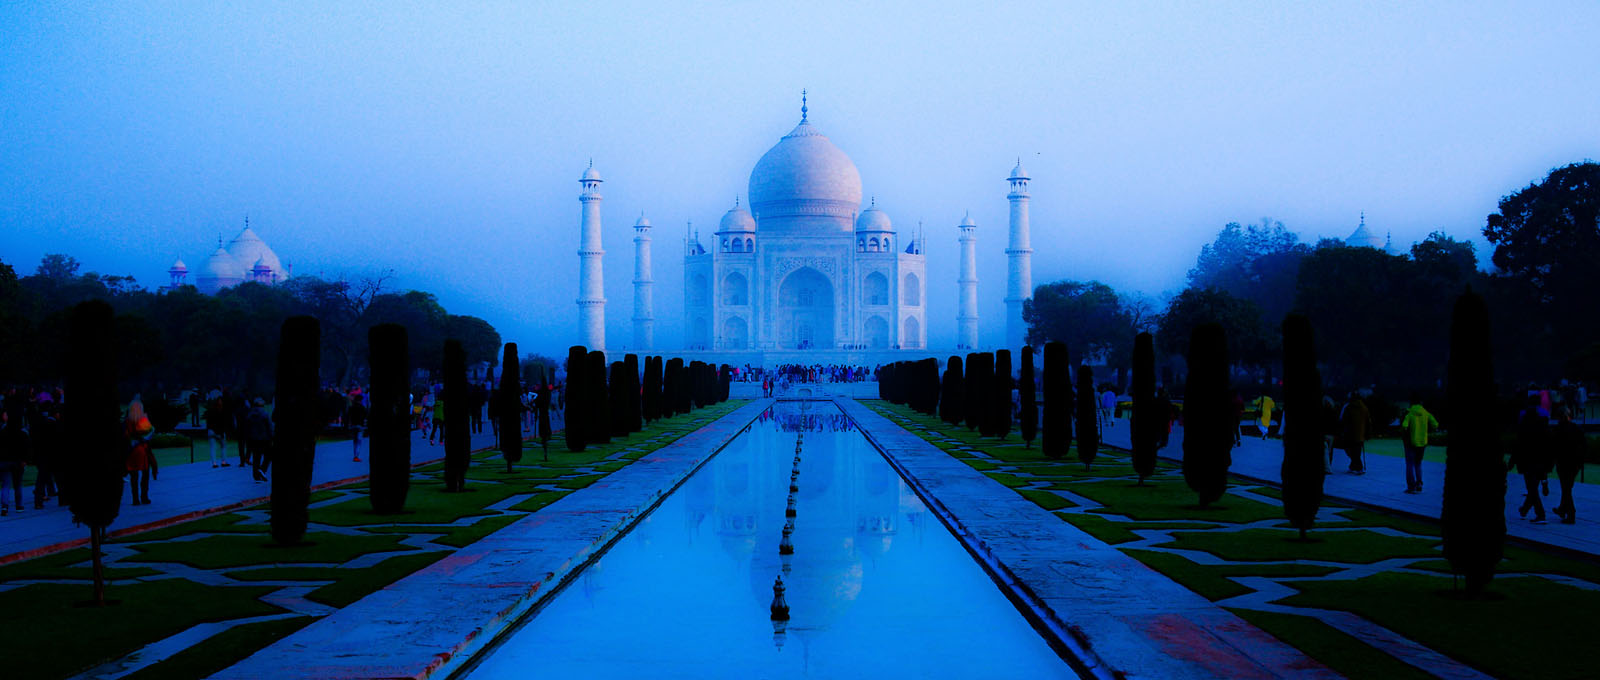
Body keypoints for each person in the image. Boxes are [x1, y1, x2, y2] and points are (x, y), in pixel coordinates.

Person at [1508, 395, 1552, 524]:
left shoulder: (1524, 424)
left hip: (1527, 460)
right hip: (1540, 460)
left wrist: (1512, 461)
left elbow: (1518, 444)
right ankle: (1525, 509)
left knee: (1531, 488)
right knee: (1533, 487)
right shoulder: (1544, 424)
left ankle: (1540, 514)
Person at [1399, 393, 1439, 494]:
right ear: (1420, 402)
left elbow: (1404, 426)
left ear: (1411, 402)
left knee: (1409, 464)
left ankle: (1411, 487)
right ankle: (1419, 484)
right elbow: (1435, 424)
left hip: (1410, 443)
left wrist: (1404, 433)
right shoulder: (1426, 413)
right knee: (1418, 463)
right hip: (1422, 442)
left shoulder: (1409, 413)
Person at [1552, 406, 1584, 524]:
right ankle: (1562, 508)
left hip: (1564, 463)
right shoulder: (1576, 428)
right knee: (1567, 487)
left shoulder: (1558, 429)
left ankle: (1571, 514)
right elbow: (1583, 445)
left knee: (1566, 489)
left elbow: (1554, 447)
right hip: (1575, 463)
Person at [125, 396, 156, 505]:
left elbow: (126, 436)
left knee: (134, 476)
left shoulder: (128, 420)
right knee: (145, 474)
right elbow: (150, 432)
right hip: (142, 450)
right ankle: (144, 497)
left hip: (132, 451)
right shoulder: (142, 419)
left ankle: (135, 499)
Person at [30, 403, 62, 509]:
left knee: (41, 480)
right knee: (59, 478)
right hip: (53, 456)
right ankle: (63, 499)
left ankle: (38, 501)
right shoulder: (55, 425)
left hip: (42, 456)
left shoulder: (41, 425)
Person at [0, 412, 29, 515]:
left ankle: (4, 507)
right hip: (18, 462)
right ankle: (19, 506)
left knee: (5, 485)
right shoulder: (22, 433)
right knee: (18, 485)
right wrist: (24, 460)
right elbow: (26, 448)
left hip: (4, 461)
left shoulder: (2, 432)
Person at [1339, 393, 1371, 474]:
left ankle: (1359, 467)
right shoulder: (1364, 407)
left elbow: (1343, 420)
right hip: (1360, 434)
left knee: (1351, 451)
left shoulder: (1348, 407)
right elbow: (1368, 422)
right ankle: (1352, 466)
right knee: (1356, 451)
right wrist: (1367, 433)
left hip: (1349, 434)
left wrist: (1342, 430)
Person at [245, 398, 273, 482]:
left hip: (253, 439)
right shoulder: (265, 414)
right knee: (268, 455)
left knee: (256, 457)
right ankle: (262, 469)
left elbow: (247, 428)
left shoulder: (250, 415)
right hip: (264, 439)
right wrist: (272, 437)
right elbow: (270, 427)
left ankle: (256, 476)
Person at [206, 392, 232, 468]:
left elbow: (209, 422)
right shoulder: (222, 411)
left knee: (213, 448)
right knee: (223, 446)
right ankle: (223, 462)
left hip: (211, 431)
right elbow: (223, 423)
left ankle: (214, 463)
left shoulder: (211, 410)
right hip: (218, 431)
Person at [348, 396, 368, 462]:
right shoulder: (363, 408)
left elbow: (348, 416)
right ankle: (356, 456)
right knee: (359, 441)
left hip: (353, 426)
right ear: (360, 400)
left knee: (355, 441)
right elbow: (365, 417)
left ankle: (355, 455)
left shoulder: (351, 407)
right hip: (360, 426)